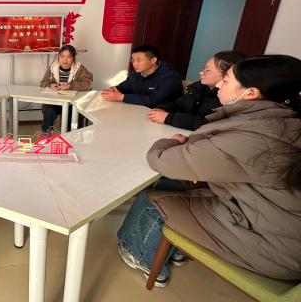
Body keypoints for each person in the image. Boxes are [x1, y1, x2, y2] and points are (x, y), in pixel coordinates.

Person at [116, 55, 301, 287]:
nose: (219, 84)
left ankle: (139, 253)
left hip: (273, 244)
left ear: (251, 93)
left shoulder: (253, 137)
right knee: (172, 185)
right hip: (268, 217)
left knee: (150, 198)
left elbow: (161, 160)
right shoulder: (281, 122)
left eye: (227, 79)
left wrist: (172, 141)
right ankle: (177, 249)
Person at [148, 50, 246, 130]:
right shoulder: (198, 87)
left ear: (228, 74)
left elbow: (208, 123)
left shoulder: (228, 98)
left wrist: (168, 117)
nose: (201, 73)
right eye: (203, 69)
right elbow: (179, 104)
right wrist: (163, 109)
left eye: (207, 70)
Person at [102, 45, 183, 108]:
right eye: (133, 60)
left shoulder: (171, 77)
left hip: (164, 117)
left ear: (153, 60)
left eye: (138, 60)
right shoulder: (136, 74)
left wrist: (122, 97)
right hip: (140, 111)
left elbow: (153, 100)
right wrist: (113, 90)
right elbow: (123, 87)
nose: (134, 64)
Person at [39, 45, 93, 132]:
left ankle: (71, 136)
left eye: (69, 57)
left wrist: (70, 86)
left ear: (73, 58)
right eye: (62, 56)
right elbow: (43, 82)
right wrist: (50, 84)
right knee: (49, 111)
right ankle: (46, 133)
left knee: (72, 116)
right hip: (55, 100)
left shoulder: (80, 68)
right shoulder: (53, 67)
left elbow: (88, 84)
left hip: (73, 102)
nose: (65, 60)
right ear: (58, 57)